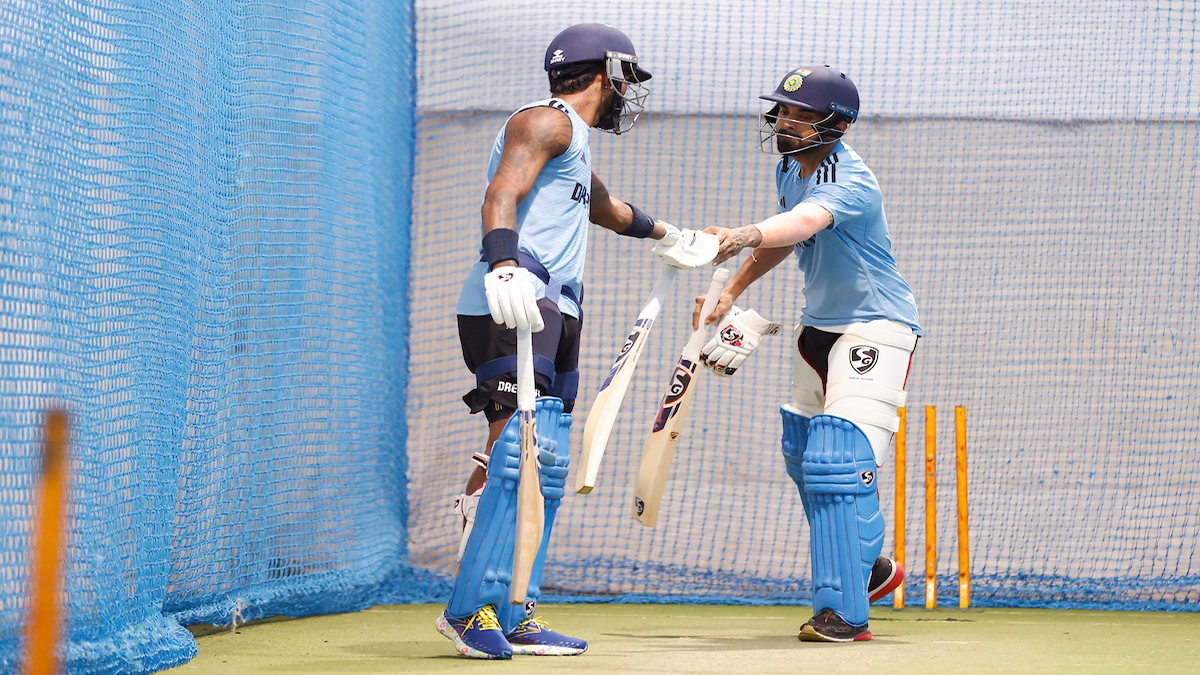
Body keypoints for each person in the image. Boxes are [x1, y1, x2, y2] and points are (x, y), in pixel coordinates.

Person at [438, 24, 716, 660]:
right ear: (608, 72)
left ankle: (516, 610)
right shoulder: (546, 121)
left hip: (560, 304)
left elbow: (604, 207)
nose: (629, 93)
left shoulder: (577, 142)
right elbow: (501, 193)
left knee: (549, 460)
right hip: (513, 293)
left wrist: (671, 236)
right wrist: (503, 264)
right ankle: (468, 610)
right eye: (628, 79)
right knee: (515, 448)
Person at [694, 65, 920, 642]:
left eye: (799, 112)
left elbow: (804, 221)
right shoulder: (790, 168)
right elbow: (787, 238)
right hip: (817, 328)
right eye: (782, 110)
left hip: (876, 327)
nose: (784, 120)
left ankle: (842, 612)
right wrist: (730, 292)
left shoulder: (853, 179)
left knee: (835, 462)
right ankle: (867, 567)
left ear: (836, 124)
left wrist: (745, 232)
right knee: (805, 456)